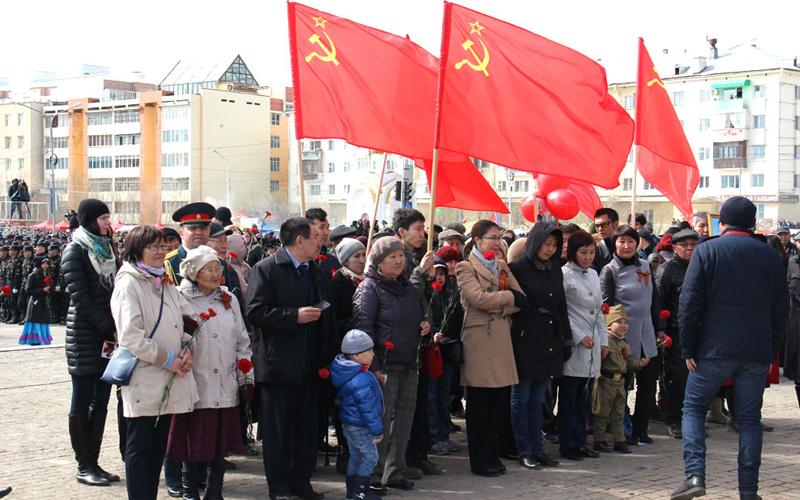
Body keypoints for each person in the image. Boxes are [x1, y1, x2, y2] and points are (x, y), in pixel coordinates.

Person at [672, 197, 789, 500]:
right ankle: (749, 491)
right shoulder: (771, 256)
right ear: (752, 224)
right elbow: (781, 310)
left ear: (721, 223)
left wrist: (688, 349)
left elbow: (689, 304)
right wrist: (770, 349)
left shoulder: (707, 250)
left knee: (694, 409)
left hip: (712, 349)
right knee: (750, 421)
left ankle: (695, 475)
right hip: (755, 352)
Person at [246, 217, 337, 500]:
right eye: (314, 236)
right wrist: (292, 316)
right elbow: (255, 312)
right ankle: (280, 488)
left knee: (307, 429)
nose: (320, 240)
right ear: (299, 241)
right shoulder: (267, 269)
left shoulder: (316, 271)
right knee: (278, 433)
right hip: (279, 365)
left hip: (311, 365)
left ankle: (302, 482)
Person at [111, 224, 198, 500]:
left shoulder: (164, 281)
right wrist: (169, 359)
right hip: (145, 375)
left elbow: (186, 322)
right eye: (154, 247)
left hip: (170, 376)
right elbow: (131, 337)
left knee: (159, 444)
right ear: (137, 250)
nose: (161, 252)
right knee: (140, 446)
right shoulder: (129, 283)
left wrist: (187, 348)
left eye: (164, 246)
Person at [168, 245, 253, 500]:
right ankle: (189, 491)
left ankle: (215, 490)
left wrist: (245, 375)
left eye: (218, 268)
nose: (216, 274)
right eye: (209, 269)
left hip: (225, 381)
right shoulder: (179, 297)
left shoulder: (228, 298)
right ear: (194, 273)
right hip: (194, 381)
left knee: (219, 443)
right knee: (191, 441)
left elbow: (241, 340)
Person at [352, 236, 430, 493]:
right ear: (379, 262)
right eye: (392, 257)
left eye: (400, 256)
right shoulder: (369, 288)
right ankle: (372, 475)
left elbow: (416, 315)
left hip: (408, 364)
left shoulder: (406, 286)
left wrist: (423, 325)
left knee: (404, 421)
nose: (399, 261)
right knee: (380, 423)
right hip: (383, 365)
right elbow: (364, 329)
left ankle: (394, 471)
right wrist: (372, 366)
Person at [455, 220, 523, 476]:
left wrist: (503, 304)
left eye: (498, 237)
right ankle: (480, 460)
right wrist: (507, 299)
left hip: (502, 338)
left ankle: (493, 454)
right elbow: (478, 299)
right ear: (477, 240)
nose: (497, 242)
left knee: (498, 405)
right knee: (479, 405)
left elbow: (521, 298)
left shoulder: (502, 266)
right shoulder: (465, 267)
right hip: (479, 341)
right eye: (492, 237)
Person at [62, 199, 121, 487]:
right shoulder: (75, 249)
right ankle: (83, 464)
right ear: (89, 220)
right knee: (82, 399)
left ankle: (94, 461)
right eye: (103, 218)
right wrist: (110, 327)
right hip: (85, 337)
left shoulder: (109, 249)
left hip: (107, 337)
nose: (108, 223)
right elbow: (80, 297)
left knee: (102, 399)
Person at [508, 222, 571, 467]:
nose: (550, 249)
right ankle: (523, 448)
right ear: (535, 243)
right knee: (521, 397)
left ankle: (537, 447)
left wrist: (566, 338)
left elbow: (561, 304)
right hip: (525, 337)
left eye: (554, 245)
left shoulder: (555, 268)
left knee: (538, 399)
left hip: (549, 338)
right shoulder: (518, 268)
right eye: (547, 244)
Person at [599, 225, 665, 446]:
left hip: (646, 337)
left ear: (637, 243)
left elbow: (653, 300)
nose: (626, 246)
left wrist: (659, 328)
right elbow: (605, 306)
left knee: (647, 387)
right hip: (622, 340)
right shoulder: (610, 270)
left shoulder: (645, 266)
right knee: (621, 388)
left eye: (630, 241)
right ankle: (620, 430)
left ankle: (641, 429)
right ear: (614, 244)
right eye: (621, 242)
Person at [560, 231, 606, 459]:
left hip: (593, 342)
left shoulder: (594, 274)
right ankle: (567, 444)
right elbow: (563, 312)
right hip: (575, 343)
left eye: (591, 252)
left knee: (584, 400)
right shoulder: (564, 275)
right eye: (583, 252)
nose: (587, 257)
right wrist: (578, 335)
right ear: (573, 252)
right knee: (570, 399)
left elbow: (599, 310)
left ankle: (580, 442)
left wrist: (603, 340)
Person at [330, 330, 384, 500]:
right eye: (370, 351)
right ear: (358, 356)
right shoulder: (361, 378)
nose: (373, 354)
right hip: (361, 426)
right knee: (370, 457)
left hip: (349, 425)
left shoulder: (348, 373)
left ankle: (351, 492)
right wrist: (377, 430)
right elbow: (367, 408)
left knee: (355, 456)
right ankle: (361, 491)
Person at [655, 229, 698, 439]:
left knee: (695, 380)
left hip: (698, 333)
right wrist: (660, 330)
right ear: (674, 248)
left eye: (693, 244)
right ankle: (673, 418)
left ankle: (692, 419)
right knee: (676, 379)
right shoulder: (667, 271)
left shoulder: (701, 267)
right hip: (674, 333)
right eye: (684, 245)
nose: (689, 248)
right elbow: (659, 302)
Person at [592, 305, 648, 454]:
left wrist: (639, 363)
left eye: (626, 322)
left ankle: (620, 440)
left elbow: (626, 362)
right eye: (619, 322)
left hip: (619, 383)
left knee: (618, 413)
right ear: (609, 325)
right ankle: (599, 440)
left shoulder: (623, 343)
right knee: (602, 413)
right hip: (606, 382)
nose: (624, 326)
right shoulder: (606, 342)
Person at [164, 202, 228, 286]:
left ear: (209, 231)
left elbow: (226, 296)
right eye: (192, 228)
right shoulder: (169, 262)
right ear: (181, 233)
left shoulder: (219, 262)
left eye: (203, 228)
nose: (198, 232)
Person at [18, 256, 53, 345]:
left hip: (44, 301)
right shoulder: (32, 275)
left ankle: (44, 338)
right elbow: (28, 290)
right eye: (44, 263)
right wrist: (42, 290)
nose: (46, 265)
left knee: (43, 320)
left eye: (46, 263)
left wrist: (49, 290)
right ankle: (35, 338)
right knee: (36, 320)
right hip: (35, 302)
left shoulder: (47, 274)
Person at [306, 207, 340, 277]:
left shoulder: (333, 260)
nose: (326, 233)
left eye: (327, 228)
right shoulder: (302, 262)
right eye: (321, 227)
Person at [393, 208, 426, 279]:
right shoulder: (396, 261)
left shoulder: (423, 253)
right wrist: (420, 271)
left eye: (423, 229)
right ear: (402, 232)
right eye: (418, 229)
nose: (422, 235)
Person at [591, 208, 619, 272]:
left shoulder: (626, 247)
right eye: (597, 226)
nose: (600, 229)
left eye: (604, 225)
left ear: (616, 224)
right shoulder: (595, 252)